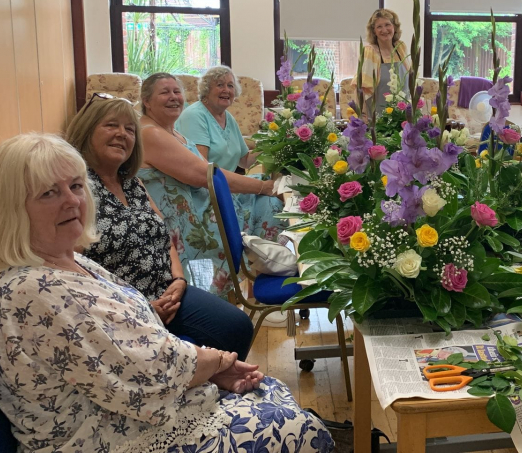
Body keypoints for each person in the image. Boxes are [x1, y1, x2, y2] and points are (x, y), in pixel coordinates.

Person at [0, 133, 333, 453]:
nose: (72, 200)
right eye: (48, 193)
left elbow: (133, 344)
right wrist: (215, 363)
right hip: (108, 438)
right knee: (299, 428)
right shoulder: (31, 290)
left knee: (270, 391)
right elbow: (148, 372)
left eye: (75, 186)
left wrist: (179, 289)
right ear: (12, 207)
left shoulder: (72, 260)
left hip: (139, 404)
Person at [66, 94, 254, 358]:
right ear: (87, 131)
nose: (122, 134)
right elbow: (72, 267)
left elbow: (164, 236)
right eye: (111, 125)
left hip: (167, 290)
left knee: (237, 326)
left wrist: (178, 280)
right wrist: (138, 308)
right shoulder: (76, 189)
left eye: (130, 129)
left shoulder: (131, 182)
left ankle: (212, 388)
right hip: (119, 309)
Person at [138, 73, 285, 297]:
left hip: (203, 200)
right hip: (187, 218)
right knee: (269, 199)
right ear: (146, 101)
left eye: (177, 92)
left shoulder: (171, 130)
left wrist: (277, 142)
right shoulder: (151, 133)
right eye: (164, 92)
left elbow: (242, 160)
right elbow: (204, 174)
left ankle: (259, 287)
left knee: (273, 197)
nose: (174, 97)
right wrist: (263, 187)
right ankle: (253, 289)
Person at [176, 65, 259, 173]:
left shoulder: (228, 117)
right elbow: (202, 170)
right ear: (206, 90)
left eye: (230, 86)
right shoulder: (194, 116)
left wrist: (273, 146)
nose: (226, 90)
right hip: (207, 187)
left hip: (226, 184)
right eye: (220, 85)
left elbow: (245, 160)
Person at [353, 8, 411, 111]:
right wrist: (362, 116)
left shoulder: (401, 47)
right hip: (379, 117)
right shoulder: (370, 52)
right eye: (379, 27)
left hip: (402, 113)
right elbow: (360, 88)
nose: (384, 30)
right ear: (374, 31)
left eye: (387, 24)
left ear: (394, 26)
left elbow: (410, 80)